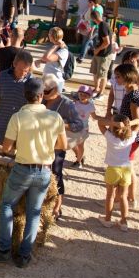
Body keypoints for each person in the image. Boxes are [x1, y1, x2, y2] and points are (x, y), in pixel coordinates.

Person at [0, 77, 65, 268]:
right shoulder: (54, 117)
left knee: (6, 206)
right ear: (42, 95)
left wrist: (22, 145)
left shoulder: (18, 117)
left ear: (25, 95)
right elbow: (62, 145)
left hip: (22, 169)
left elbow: (6, 148)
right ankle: (24, 255)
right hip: (44, 170)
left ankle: (3, 250)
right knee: (34, 213)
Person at [41, 74, 86, 220]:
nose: (43, 94)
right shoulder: (40, 99)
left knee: (56, 175)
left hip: (57, 147)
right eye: (42, 91)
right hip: (41, 145)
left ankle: (57, 208)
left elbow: (79, 124)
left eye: (46, 92)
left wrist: (61, 125)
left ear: (55, 89)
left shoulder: (66, 104)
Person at [113, 63, 139, 209]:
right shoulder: (130, 90)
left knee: (128, 167)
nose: (116, 79)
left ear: (126, 76)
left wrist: (127, 131)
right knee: (127, 165)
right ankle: (125, 197)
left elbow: (137, 119)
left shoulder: (133, 94)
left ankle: (130, 198)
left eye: (118, 76)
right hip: (130, 135)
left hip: (131, 136)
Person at [0, 50, 33, 143]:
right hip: (1, 126)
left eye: (26, 71)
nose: (23, 73)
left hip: (20, 130)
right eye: (20, 70)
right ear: (14, 64)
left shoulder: (32, 82)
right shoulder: (2, 76)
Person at [98, 114, 135, 231]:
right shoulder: (131, 137)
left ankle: (107, 219)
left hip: (113, 168)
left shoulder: (111, 137)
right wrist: (128, 124)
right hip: (126, 169)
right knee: (123, 196)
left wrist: (113, 123)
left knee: (110, 195)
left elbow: (100, 122)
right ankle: (124, 222)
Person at [106, 50, 139, 116]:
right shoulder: (116, 74)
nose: (129, 64)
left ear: (138, 63)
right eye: (127, 61)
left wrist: (134, 70)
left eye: (132, 62)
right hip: (117, 109)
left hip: (132, 111)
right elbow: (112, 94)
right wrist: (108, 111)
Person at [72, 84, 99, 167]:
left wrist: (107, 120)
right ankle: (80, 156)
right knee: (71, 144)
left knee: (80, 145)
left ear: (90, 96)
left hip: (83, 129)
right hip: (73, 127)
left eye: (85, 95)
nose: (82, 96)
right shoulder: (74, 103)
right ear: (78, 94)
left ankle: (78, 161)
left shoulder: (90, 106)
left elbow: (95, 117)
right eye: (80, 94)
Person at [36, 27, 69, 93]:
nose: (48, 35)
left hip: (56, 82)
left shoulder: (63, 50)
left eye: (49, 34)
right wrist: (40, 61)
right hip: (49, 81)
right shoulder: (57, 47)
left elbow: (46, 58)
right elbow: (51, 61)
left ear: (54, 36)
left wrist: (55, 46)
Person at [89, 8, 113, 99]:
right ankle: (96, 89)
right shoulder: (103, 25)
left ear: (93, 19)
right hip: (99, 53)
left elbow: (107, 42)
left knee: (102, 74)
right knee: (95, 72)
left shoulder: (103, 26)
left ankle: (101, 92)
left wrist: (98, 49)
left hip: (104, 54)